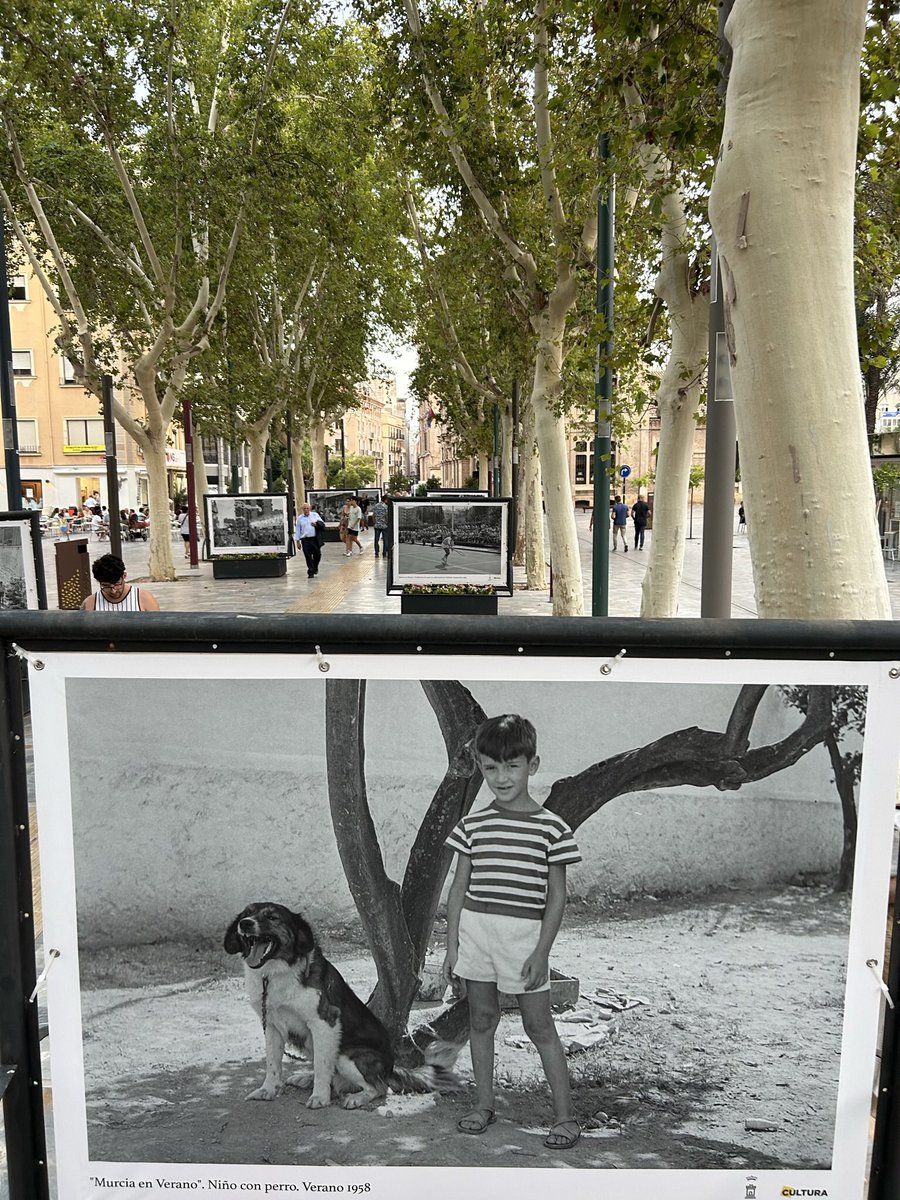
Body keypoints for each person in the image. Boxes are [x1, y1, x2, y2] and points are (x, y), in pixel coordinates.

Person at [443, 714, 582, 1151]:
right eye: (490, 768)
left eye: (512, 766)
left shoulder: (552, 829)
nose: (501, 778)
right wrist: (452, 947)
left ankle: (566, 1117)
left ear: (533, 765)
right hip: (477, 932)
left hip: (523, 937)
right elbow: (458, 888)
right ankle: (484, 1104)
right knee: (481, 1018)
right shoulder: (473, 825)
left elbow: (556, 898)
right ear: (481, 768)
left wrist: (542, 952)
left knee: (538, 1025)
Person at [81, 554, 160, 611]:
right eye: (106, 586)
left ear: (124, 576)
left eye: (117, 584)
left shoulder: (144, 598)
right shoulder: (90, 603)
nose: (113, 590)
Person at [295, 502, 325, 577]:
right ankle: (310, 572)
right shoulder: (300, 518)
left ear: (310, 509)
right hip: (305, 540)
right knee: (308, 556)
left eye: (307, 508)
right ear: (302, 509)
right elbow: (298, 530)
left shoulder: (315, 515)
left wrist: (316, 524)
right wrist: (297, 541)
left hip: (314, 539)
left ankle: (315, 567)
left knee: (318, 554)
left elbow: (322, 524)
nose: (306, 510)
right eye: (304, 508)